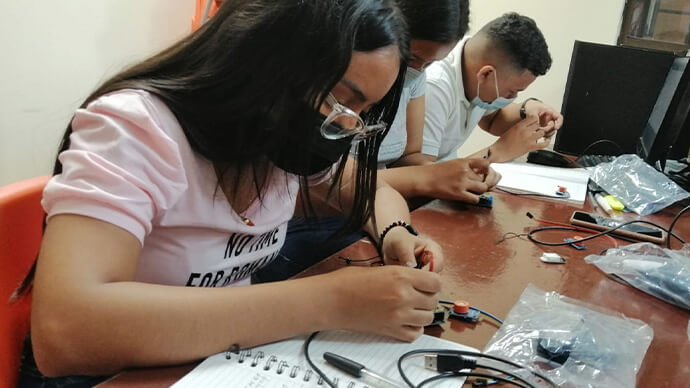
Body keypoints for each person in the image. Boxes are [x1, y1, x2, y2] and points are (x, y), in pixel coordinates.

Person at [15, 0, 445, 383]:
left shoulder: (276, 143)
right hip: (113, 374)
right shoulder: (139, 127)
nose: (347, 125)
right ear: (266, 59)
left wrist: (396, 233)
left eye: (362, 113)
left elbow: (371, 191)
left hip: (217, 362)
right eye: (340, 101)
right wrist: (331, 300)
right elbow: (66, 332)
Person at [389, 12, 562, 204]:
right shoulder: (433, 84)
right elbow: (425, 176)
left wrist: (527, 109)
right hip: (413, 199)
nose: (512, 98)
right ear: (486, 74)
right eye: (511, 92)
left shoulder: (475, 66)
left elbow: (492, 119)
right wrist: (499, 151)